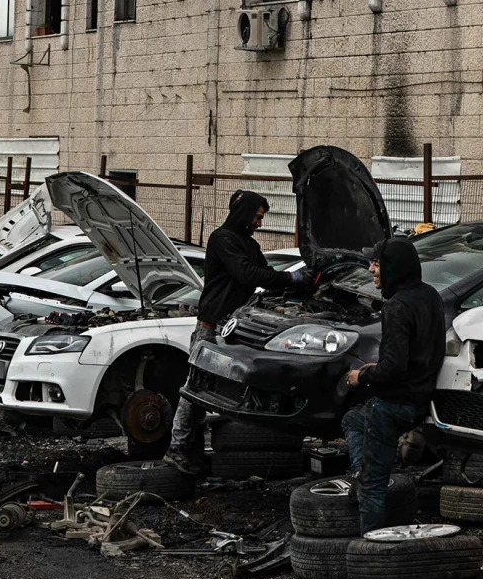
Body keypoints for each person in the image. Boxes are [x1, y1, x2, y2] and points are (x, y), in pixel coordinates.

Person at [163, 189, 306, 475]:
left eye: (261, 218)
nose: (260, 223)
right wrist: (290, 276)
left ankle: (193, 453)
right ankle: (177, 449)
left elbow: (265, 276)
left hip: (234, 330)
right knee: (195, 390)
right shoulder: (223, 239)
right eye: (257, 216)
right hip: (211, 329)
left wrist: (300, 285)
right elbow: (248, 275)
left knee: (212, 393)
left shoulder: (248, 244)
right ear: (243, 213)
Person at [339, 233, 445, 533]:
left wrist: (363, 375)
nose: (372, 270)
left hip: (393, 404)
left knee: (373, 487)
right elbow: (417, 354)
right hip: (420, 399)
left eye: (377, 263)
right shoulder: (430, 296)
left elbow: (395, 367)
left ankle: (369, 548)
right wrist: (380, 365)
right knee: (353, 420)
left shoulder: (397, 306)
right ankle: (361, 472)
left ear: (393, 266)